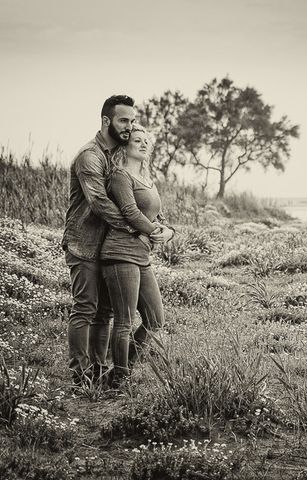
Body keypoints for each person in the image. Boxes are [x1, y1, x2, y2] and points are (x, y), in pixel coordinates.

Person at [62, 95, 172, 387]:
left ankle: (100, 370)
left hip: (109, 244)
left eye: (132, 121)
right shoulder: (90, 156)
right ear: (106, 121)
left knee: (106, 312)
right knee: (85, 307)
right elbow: (99, 203)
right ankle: (80, 375)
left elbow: (137, 196)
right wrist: (136, 229)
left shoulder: (117, 155)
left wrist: (156, 227)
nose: (129, 126)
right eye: (124, 120)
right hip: (84, 243)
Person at [100, 124, 174, 388]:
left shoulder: (148, 179)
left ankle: (119, 371)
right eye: (137, 140)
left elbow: (160, 218)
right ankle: (120, 378)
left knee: (155, 319)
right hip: (120, 254)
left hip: (142, 255)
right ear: (125, 146)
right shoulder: (120, 176)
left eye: (146, 141)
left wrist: (168, 233)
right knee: (124, 321)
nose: (143, 144)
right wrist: (155, 231)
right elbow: (130, 212)